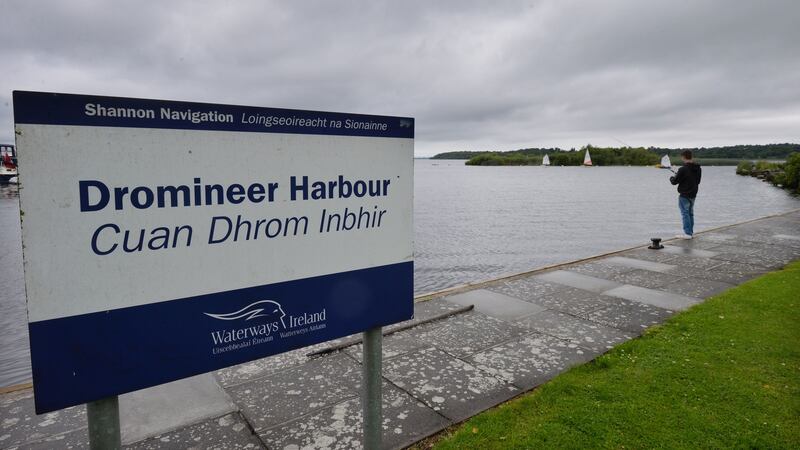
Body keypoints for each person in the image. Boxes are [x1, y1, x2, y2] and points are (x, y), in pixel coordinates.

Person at [670, 150, 702, 239]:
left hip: (684, 195)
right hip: (693, 194)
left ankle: (687, 234)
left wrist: (672, 177)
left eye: (682, 157)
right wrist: (678, 174)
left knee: (685, 213)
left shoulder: (682, 169)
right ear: (691, 156)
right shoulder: (698, 168)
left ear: (683, 157)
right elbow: (697, 181)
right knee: (690, 213)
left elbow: (674, 182)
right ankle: (690, 233)